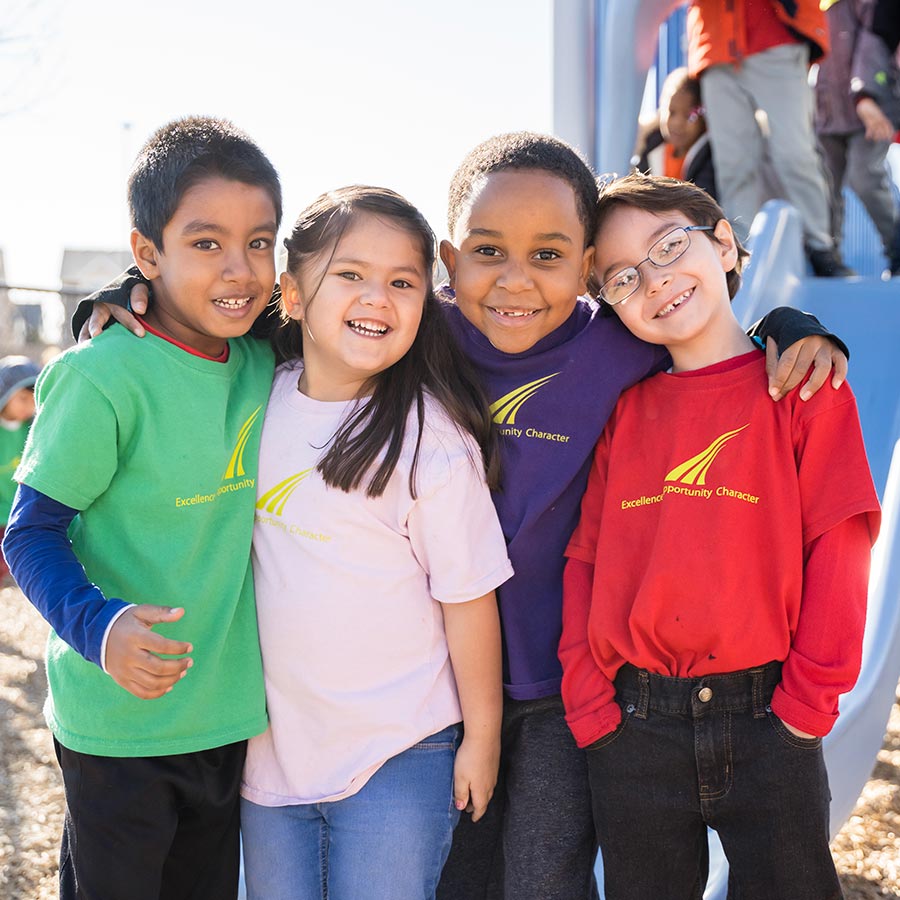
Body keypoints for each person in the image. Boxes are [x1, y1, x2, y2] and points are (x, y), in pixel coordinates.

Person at [77, 131, 851, 900]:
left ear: (585, 269)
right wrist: (129, 290)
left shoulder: (619, 345)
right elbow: (265, 304)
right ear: (448, 264)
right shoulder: (414, 324)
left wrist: (785, 327)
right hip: (434, 697)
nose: (516, 281)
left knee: (543, 880)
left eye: (549, 257)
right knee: (456, 880)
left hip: (559, 686)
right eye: (487, 252)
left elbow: (700, 339)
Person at [559, 172, 881, 899]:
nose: (657, 279)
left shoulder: (805, 386)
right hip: (634, 725)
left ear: (726, 242)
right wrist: (589, 701)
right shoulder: (622, 411)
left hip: (770, 719)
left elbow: (841, 542)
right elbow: (585, 559)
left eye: (672, 245)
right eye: (623, 278)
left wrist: (805, 708)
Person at [2, 115, 283, 900]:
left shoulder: (270, 358)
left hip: (226, 715)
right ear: (146, 254)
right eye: (205, 243)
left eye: (260, 241)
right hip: (116, 719)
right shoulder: (101, 377)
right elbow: (30, 534)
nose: (239, 268)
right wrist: (99, 626)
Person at [239, 185, 512, 900]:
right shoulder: (251, 401)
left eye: (402, 282)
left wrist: (482, 739)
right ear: (293, 296)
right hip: (270, 756)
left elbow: (469, 600)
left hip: (400, 751)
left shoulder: (432, 439)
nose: (377, 297)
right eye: (351, 274)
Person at [687, 0, 854, 276]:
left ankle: (821, 246)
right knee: (733, 163)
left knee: (794, 154)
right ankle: (740, 252)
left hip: (774, 35)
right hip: (715, 43)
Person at [815, 0, 900, 279]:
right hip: (829, 111)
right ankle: (829, 257)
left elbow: (874, 42)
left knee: (865, 175)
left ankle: (896, 249)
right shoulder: (819, 5)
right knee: (826, 184)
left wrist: (865, 94)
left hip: (871, 108)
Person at [633, 67, 718, 200]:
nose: (678, 123)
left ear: (704, 118)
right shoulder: (650, 149)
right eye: (671, 112)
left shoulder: (709, 158)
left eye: (689, 116)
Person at [0, 355, 40, 581]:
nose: (30, 407)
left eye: (35, 400)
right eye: (23, 399)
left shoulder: (35, 430)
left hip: (24, 520)